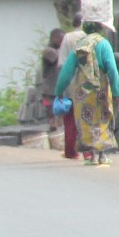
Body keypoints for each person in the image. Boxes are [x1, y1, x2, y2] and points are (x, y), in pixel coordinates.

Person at [54, 19, 119, 165]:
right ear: (100, 29)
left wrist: (59, 90)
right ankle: (102, 155)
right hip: (101, 88)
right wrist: (117, 92)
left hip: (82, 91)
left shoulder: (80, 45)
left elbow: (67, 71)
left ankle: (91, 156)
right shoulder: (104, 44)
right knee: (103, 118)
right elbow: (112, 69)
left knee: (87, 120)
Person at [52, 24, 84, 160]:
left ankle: (70, 151)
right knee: (90, 118)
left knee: (70, 119)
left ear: (74, 23)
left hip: (72, 84)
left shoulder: (68, 37)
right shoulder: (94, 37)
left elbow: (62, 65)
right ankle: (90, 153)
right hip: (91, 83)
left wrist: (60, 88)